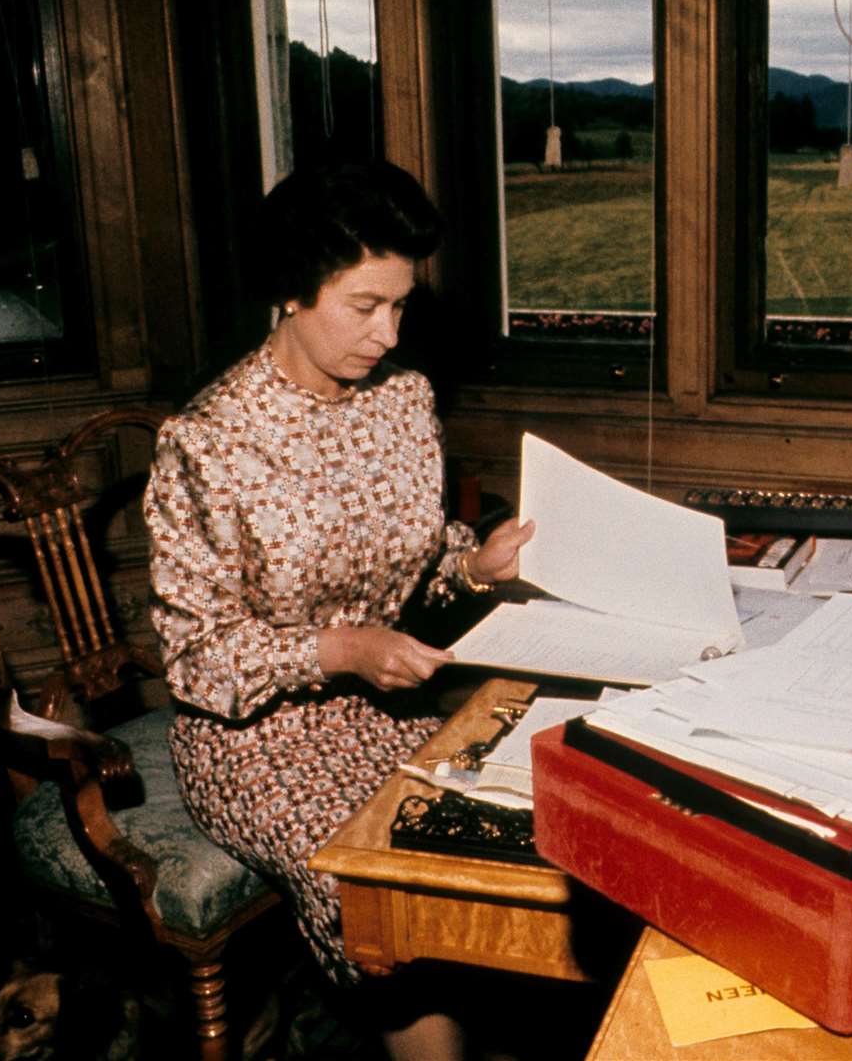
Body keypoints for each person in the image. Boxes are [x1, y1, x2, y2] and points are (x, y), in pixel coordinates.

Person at [143, 160, 533, 1060]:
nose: (389, 334)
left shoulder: (403, 401)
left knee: (504, 842)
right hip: (252, 745)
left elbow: (415, 557)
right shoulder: (209, 440)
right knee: (380, 890)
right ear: (290, 290)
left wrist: (473, 563)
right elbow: (200, 660)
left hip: (381, 712)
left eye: (401, 307)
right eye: (365, 306)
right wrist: (338, 649)